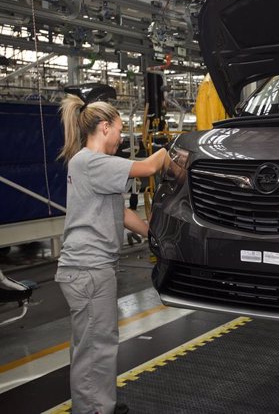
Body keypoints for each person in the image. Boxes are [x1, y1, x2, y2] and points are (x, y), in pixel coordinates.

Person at [55, 91, 170, 414]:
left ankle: (95, 404)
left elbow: (120, 214)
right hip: (88, 269)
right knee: (96, 348)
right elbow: (148, 167)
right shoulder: (91, 162)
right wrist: (169, 153)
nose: (122, 137)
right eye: (120, 130)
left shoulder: (90, 164)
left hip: (88, 269)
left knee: (92, 345)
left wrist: (155, 235)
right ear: (104, 127)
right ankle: (93, 410)